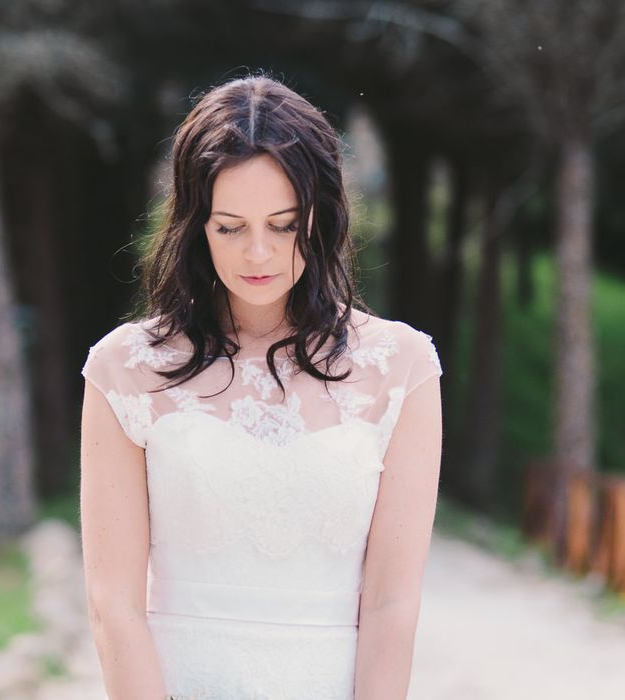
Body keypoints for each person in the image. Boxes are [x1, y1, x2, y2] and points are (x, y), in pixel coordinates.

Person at [79, 72, 443, 700]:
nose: (257, 254)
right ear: (195, 224)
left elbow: (391, 603)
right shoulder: (126, 369)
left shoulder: (400, 367)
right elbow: (113, 604)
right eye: (229, 227)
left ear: (321, 217)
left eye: (282, 224)